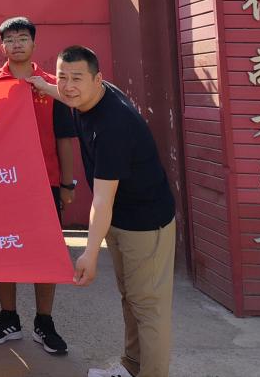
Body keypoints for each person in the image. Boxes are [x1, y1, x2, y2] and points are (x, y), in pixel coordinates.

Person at [56, 45, 176, 377]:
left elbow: (101, 201)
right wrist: (39, 84)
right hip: (121, 218)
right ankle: (132, 367)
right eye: (62, 77)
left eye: (76, 78)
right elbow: (61, 90)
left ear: (98, 79)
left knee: (148, 307)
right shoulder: (85, 97)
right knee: (131, 298)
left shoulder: (113, 126)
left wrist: (90, 253)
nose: (68, 86)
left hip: (145, 224)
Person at [0, 17, 77, 354]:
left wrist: (67, 183)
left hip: (44, 182)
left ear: (34, 44)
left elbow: (64, 138)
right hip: (1, 183)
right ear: (1, 46)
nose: (16, 44)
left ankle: (44, 322)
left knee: (45, 251)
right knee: (3, 249)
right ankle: (8, 318)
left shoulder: (51, 85)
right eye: (10, 39)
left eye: (22, 38)